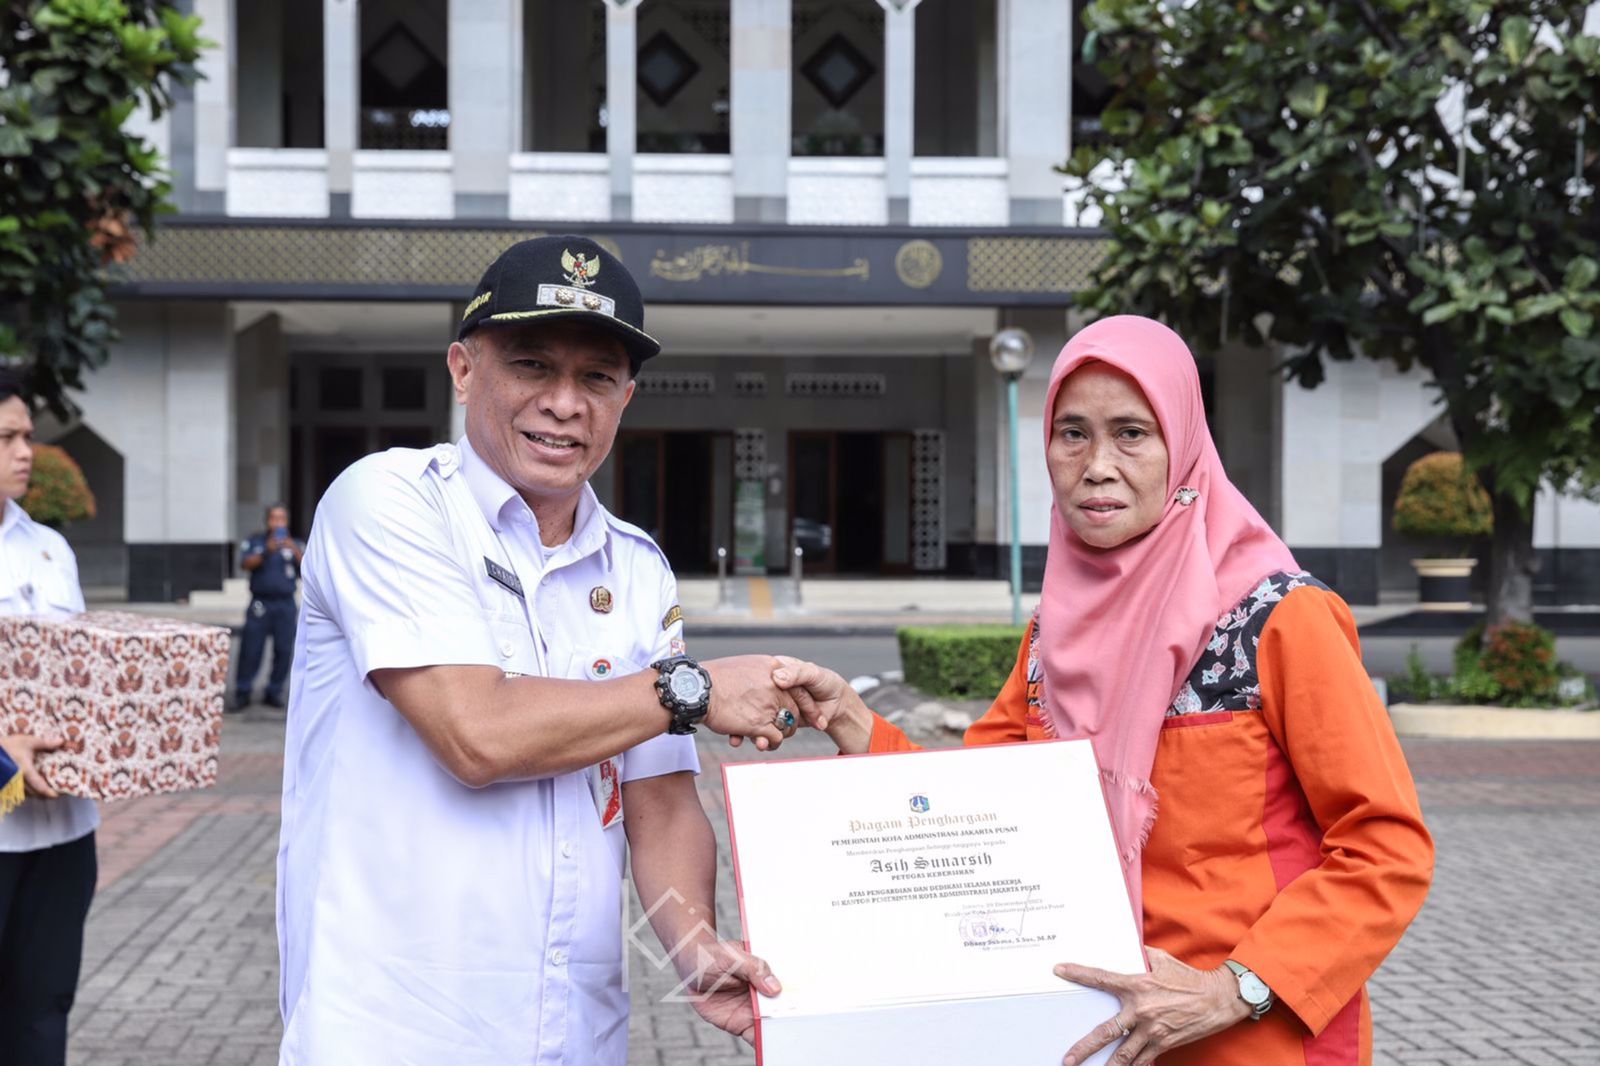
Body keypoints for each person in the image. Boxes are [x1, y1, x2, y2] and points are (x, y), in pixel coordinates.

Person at [774, 316, 1434, 1066]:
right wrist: (854, 721)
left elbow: (1385, 846)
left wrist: (1234, 989)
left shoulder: (1280, 618)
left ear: (1183, 446)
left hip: (1254, 1042)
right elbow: (975, 813)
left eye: (1131, 434)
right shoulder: (1052, 634)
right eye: (1073, 434)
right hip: (1086, 1039)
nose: (1096, 466)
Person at [277, 236, 800, 1064]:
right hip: (395, 1029)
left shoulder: (636, 566)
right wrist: (688, 689)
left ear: (625, 398)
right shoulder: (389, 502)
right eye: (531, 365)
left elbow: (659, 800)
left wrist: (696, 950)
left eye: (596, 378)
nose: (564, 403)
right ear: (463, 370)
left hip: (572, 1034)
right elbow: (476, 735)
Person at [0, 368, 98, 1066]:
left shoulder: (50, 548)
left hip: (64, 830)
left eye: (28, 436)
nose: (25, 452)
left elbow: (81, 675)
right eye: (7, 438)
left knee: (42, 1013)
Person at [233, 503, 303, 710]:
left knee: (284, 650)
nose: (278, 523)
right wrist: (266, 551)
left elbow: (308, 567)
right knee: (251, 649)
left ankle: (274, 691)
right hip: (261, 603)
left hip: (285, 603)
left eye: (282, 519)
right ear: (267, 521)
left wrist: (293, 549)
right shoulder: (256, 541)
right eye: (274, 518)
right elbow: (245, 564)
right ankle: (243, 691)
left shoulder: (295, 544)